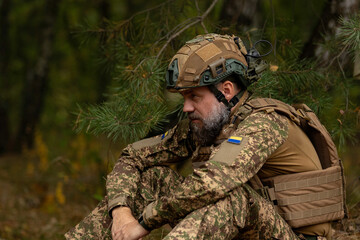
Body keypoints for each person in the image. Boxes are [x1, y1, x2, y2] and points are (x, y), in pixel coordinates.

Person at [65, 33, 344, 240]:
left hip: (294, 237)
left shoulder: (265, 125)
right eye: (185, 98)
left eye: (195, 97)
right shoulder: (208, 123)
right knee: (152, 178)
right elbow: (132, 156)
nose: (186, 107)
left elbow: (212, 184)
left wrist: (145, 221)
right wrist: (120, 212)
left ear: (227, 89)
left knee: (234, 197)